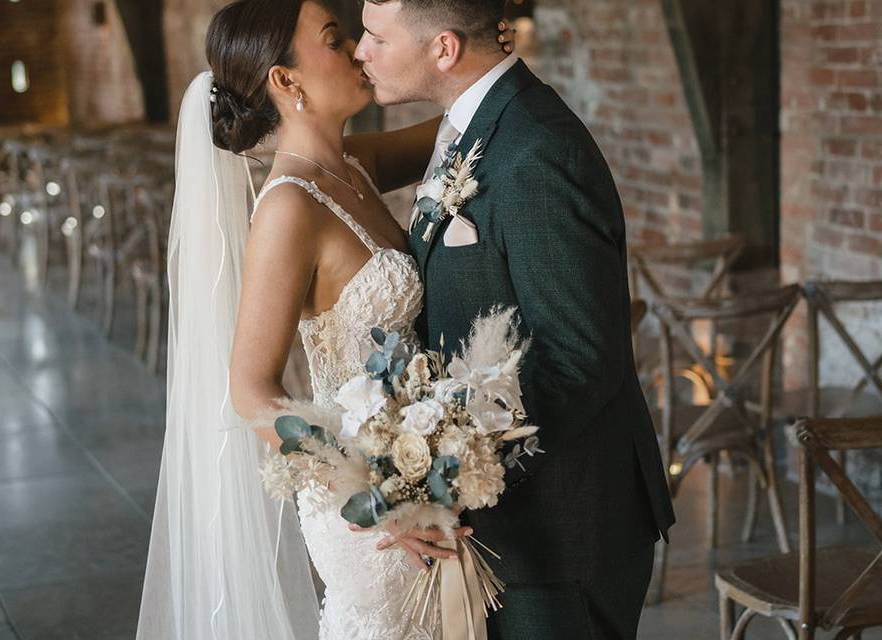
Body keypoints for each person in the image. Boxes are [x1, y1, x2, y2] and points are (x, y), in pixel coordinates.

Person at [136, 1, 512, 638]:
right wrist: (378, 498)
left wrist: (480, 46)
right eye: (337, 40)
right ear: (287, 80)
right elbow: (251, 391)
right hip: (364, 508)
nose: (359, 52)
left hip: (415, 471)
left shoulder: (350, 165)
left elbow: (465, 118)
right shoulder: (287, 208)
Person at [352, 1, 676, 638]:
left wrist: (445, 476)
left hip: (562, 527)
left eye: (375, 36)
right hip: (514, 526)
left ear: (443, 50)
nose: (362, 52)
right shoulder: (472, 124)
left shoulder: (536, 150)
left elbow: (579, 354)